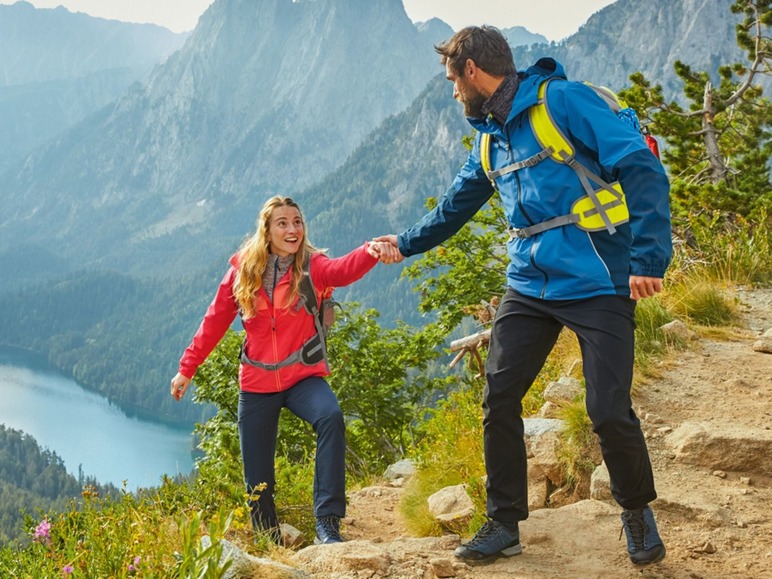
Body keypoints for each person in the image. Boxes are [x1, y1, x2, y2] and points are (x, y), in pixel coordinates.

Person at [375, 26, 671, 566]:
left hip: (599, 278)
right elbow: (454, 206)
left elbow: (642, 168)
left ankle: (635, 510)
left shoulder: (563, 102)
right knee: (499, 397)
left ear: (471, 72)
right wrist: (406, 243)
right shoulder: (491, 137)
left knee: (607, 409)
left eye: (451, 81)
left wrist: (648, 260)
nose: (453, 93)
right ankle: (504, 520)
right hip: (530, 286)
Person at [170, 195, 396, 545]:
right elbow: (213, 322)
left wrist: (370, 250)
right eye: (283, 223)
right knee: (257, 476)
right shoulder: (243, 271)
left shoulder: (312, 267)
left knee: (330, 417)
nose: (292, 229)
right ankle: (268, 540)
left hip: (302, 378)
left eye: (297, 221)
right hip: (257, 383)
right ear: (267, 230)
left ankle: (327, 522)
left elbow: (342, 270)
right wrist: (187, 369)